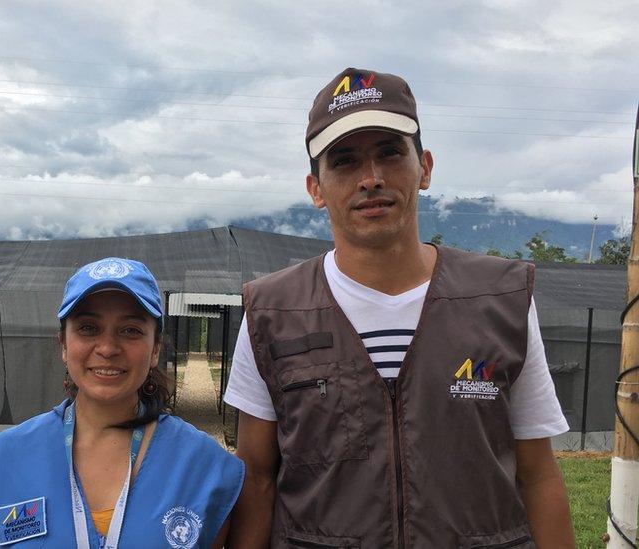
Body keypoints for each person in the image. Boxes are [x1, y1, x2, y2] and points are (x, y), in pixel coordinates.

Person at [223, 68, 575, 548]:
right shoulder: (271, 312)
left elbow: (537, 474)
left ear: (424, 167)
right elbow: (257, 477)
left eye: (389, 153)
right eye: (344, 161)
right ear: (315, 188)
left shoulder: (500, 299)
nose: (371, 179)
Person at [0, 257, 243, 548]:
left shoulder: (206, 468)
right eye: (88, 328)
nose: (108, 348)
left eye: (130, 330)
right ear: (63, 344)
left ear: (155, 351)